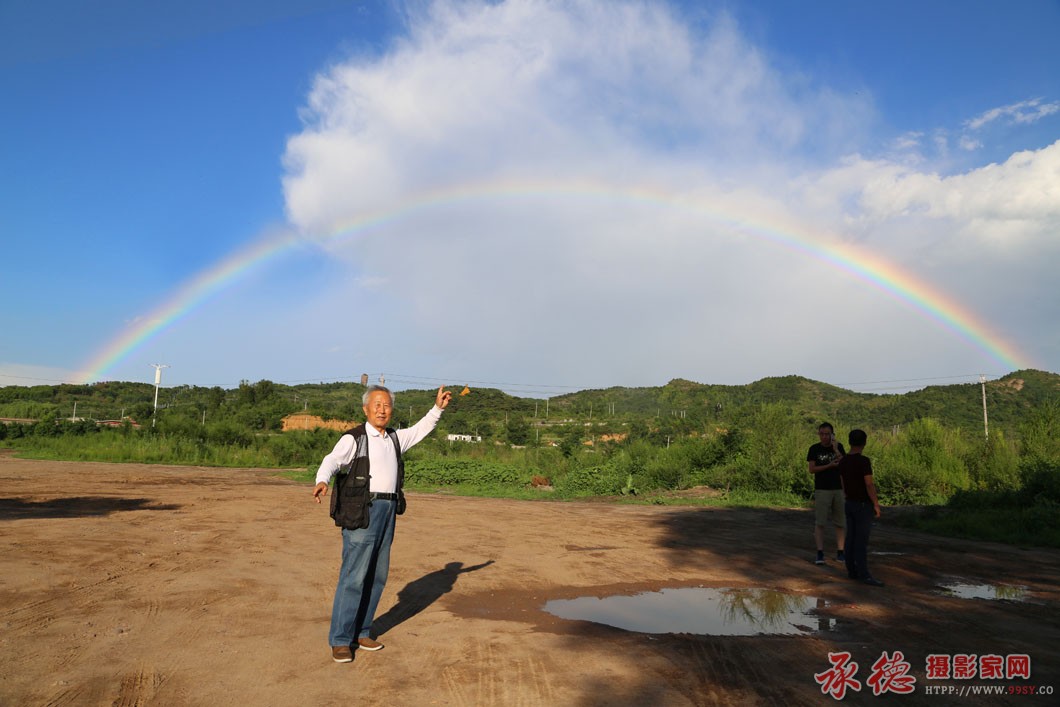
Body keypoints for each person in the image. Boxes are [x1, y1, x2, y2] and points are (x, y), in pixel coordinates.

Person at [313, 384, 452, 663]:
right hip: (362, 510)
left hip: (388, 511)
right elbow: (332, 460)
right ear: (366, 409)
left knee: (377, 576)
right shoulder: (354, 438)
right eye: (377, 405)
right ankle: (340, 639)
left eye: (387, 405)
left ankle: (362, 632)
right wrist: (322, 480)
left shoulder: (395, 439)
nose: (382, 410)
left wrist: (437, 409)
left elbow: (421, 429)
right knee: (354, 577)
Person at [837, 428, 883, 586]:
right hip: (863, 505)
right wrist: (876, 504)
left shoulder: (843, 461)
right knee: (861, 541)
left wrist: (847, 495)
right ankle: (864, 574)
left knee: (850, 538)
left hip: (849, 503)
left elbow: (842, 483)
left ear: (850, 442)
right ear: (864, 442)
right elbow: (869, 484)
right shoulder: (864, 461)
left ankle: (852, 571)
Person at [807, 422, 846, 565]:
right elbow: (812, 469)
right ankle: (820, 553)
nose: (824, 437)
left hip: (838, 489)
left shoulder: (839, 447)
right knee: (820, 522)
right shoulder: (814, 449)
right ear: (819, 434)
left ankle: (841, 552)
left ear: (832, 435)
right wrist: (829, 465)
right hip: (822, 489)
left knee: (840, 522)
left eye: (827, 434)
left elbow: (844, 464)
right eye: (821, 434)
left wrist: (835, 449)